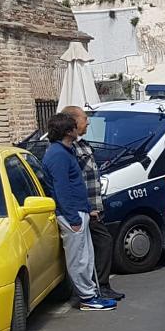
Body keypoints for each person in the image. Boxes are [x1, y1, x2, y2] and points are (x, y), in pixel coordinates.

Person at [42, 114, 117, 312]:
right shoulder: (58, 154)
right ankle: (87, 298)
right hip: (72, 213)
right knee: (79, 258)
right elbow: (62, 188)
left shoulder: (65, 151)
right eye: (75, 127)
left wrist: (87, 210)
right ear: (69, 131)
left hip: (79, 210)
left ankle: (90, 294)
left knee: (86, 255)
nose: (79, 130)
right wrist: (73, 217)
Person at [63, 106, 124, 301]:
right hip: (85, 209)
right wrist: (88, 209)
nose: (88, 122)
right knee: (102, 243)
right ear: (73, 122)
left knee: (95, 247)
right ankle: (100, 286)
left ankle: (98, 285)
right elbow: (73, 182)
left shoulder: (82, 144)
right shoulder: (68, 149)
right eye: (84, 118)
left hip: (92, 207)